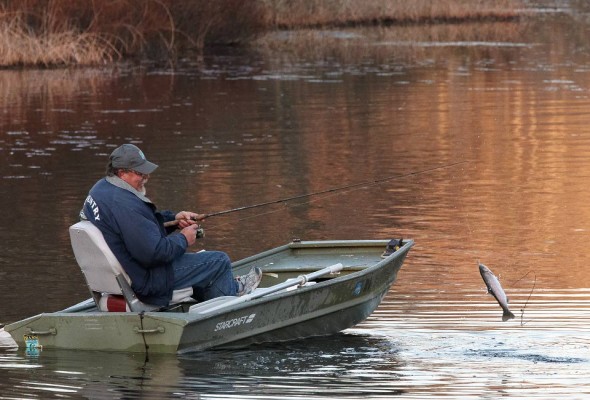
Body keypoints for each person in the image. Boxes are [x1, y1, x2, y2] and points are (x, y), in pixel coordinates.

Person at [80, 143, 262, 307]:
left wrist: (174, 219)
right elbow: (154, 254)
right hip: (146, 280)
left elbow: (134, 230)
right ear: (122, 173)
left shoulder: (101, 190)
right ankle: (226, 306)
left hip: (125, 274)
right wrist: (183, 239)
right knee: (218, 261)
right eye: (139, 173)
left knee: (201, 262)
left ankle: (224, 288)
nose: (146, 177)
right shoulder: (126, 205)